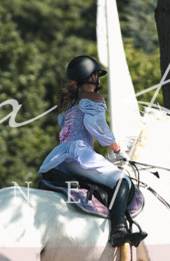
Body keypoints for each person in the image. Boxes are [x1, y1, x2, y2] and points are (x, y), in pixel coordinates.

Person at [39, 55, 146, 247]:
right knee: (123, 181)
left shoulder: (73, 104)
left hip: (60, 158)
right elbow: (98, 128)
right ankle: (118, 230)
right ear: (92, 76)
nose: (98, 79)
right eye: (97, 74)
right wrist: (117, 148)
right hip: (81, 155)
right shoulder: (94, 98)